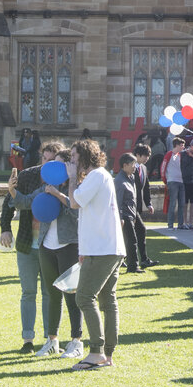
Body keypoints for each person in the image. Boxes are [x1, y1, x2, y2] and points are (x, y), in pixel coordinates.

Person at [70, 138, 125, 371]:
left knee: (84, 297)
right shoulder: (102, 176)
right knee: (107, 300)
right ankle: (108, 354)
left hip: (102, 249)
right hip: (108, 247)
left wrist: (71, 178)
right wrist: (83, 250)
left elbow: (74, 202)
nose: (72, 161)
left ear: (84, 156)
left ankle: (96, 352)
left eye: (74, 156)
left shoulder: (96, 176)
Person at [0, 140, 53, 353]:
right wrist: (5, 228)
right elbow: (9, 202)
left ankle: (50, 339)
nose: (47, 163)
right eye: (45, 158)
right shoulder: (28, 175)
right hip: (26, 244)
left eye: (52, 160)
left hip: (50, 246)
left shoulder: (63, 180)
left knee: (49, 293)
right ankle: (27, 340)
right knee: (28, 292)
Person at [34, 142, 84, 360]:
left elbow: (76, 212)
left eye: (59, 165)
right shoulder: (47, 187)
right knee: (52, 295)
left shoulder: (76, 187)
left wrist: (58, 195)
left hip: (68, 246)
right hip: (46, 246)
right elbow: (28, 201)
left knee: (72, 296)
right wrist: (14, 191)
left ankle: (76, 341)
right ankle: (52, 340)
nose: (53, 169)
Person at [114, 153, 141, 273]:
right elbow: (118, 201)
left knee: (132, 238)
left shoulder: (131, 177)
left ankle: (129, 264)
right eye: (133, 164)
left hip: (130, 214)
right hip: (124, 215)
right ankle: (133, 266)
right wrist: (120, 217)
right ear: (125, 165)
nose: (135, 167)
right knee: (131, 240)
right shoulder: (119, 181)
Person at [132, 144, 157, 268]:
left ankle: (141, 259)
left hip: (138, 206)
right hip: (130, 206)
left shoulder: (143, 168)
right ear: (137, 155)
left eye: (148, 155)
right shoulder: (129, 167)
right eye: (145, 155)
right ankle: (142, 259)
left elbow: (146, 187)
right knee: (140, 231)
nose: (147, 158)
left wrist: (148, 204)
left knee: (136, 233)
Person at [162, 136, 187, 230]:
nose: (183, 147)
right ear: (176, 145)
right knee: (172, 203)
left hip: (181, 181)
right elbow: (163, 167)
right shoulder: (169, 154)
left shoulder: (182, 155)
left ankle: (180, 224)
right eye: (181, 145)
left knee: (182, 204)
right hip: (172, 181)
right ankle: (170, 225)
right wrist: (165, 180)